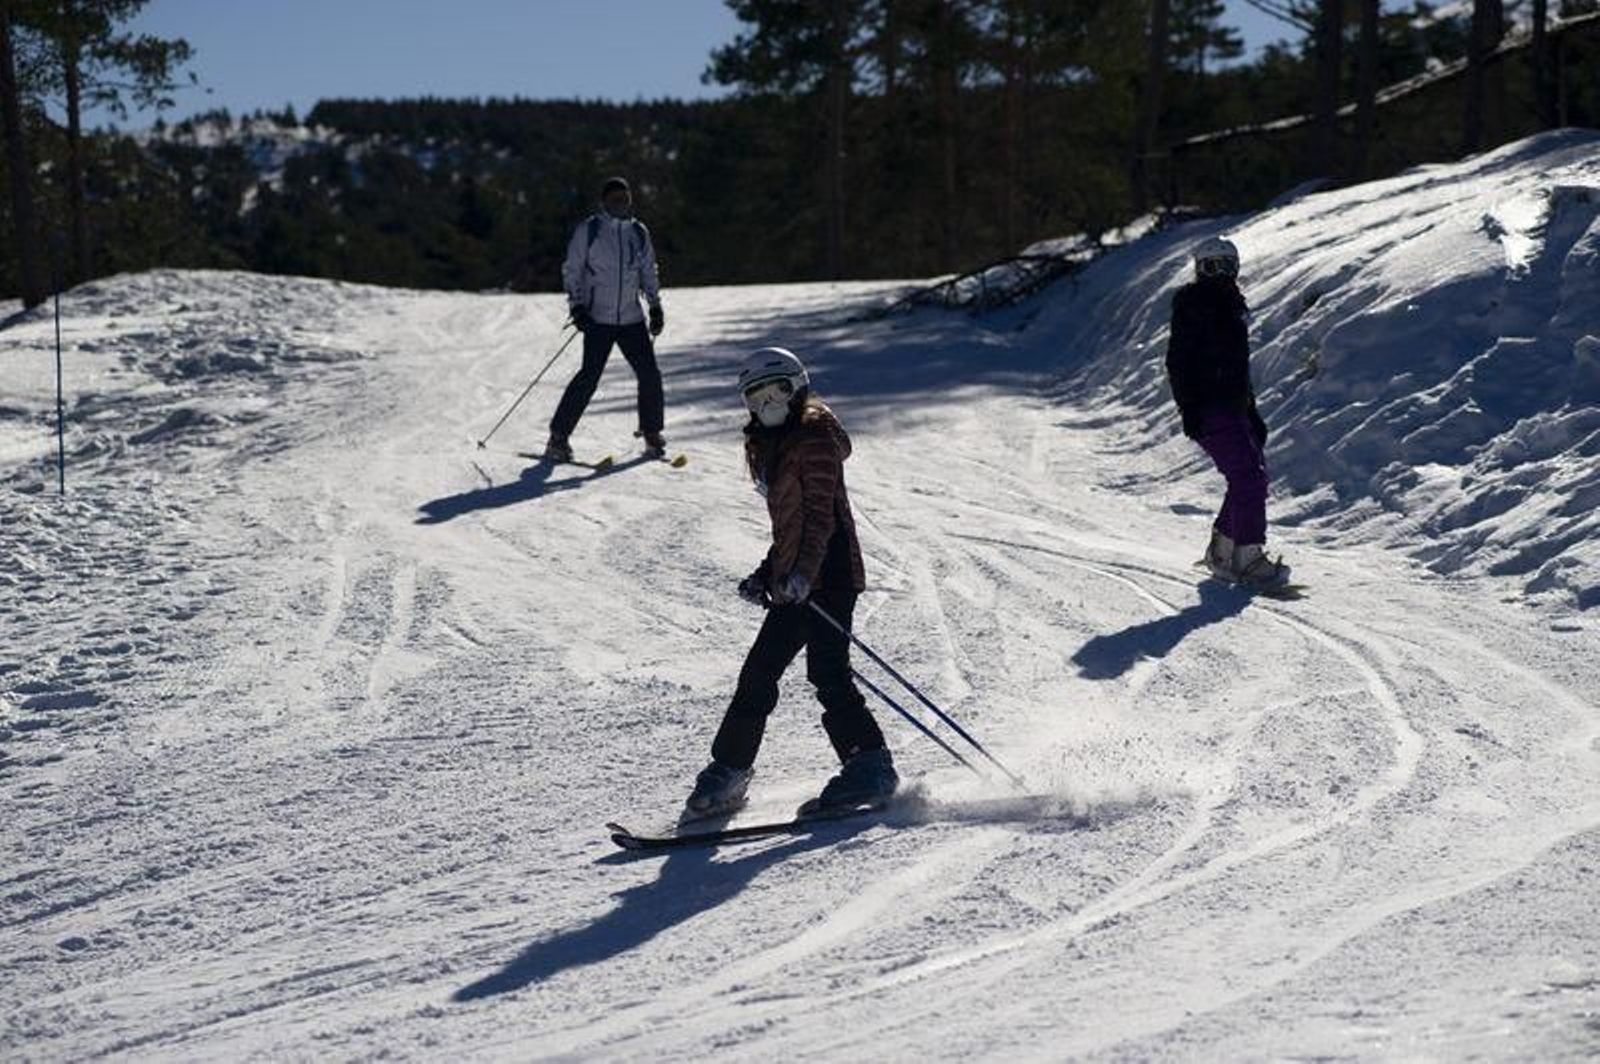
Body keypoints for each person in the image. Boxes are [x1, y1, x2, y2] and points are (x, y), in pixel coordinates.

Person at [686, 347, 898, 817]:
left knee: (828, 672)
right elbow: (790, 527)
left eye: (776, 391)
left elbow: (820, 517)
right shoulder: (771, 444)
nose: (767, 404)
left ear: (797, 388)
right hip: (796, 580)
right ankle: (730, 770)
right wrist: (768, 573)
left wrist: (804, 573)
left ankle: (871, 766)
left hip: (832, 575)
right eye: (755, 397)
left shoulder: (814, 438)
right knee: (758, 674)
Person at [1165, 236, 1290, 588]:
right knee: (1249, 477)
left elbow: (1236, 367)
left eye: (1227, 266)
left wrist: (1250, 410)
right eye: (1211, 267)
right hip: (1209, 406)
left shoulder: (1232, 306)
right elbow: (1178, 362)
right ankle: (1247, 558)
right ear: (1199, 270)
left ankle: (1223, 550)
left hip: (1231, 406)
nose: (1220, 274)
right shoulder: (1194, 307)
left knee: (1250, 474)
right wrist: (1189, 406)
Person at [546, 176, 668, 462]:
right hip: (597, 319)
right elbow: (572, 269)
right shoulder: (590, 230)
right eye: (615, 199)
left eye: (625, 198)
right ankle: (558, 437)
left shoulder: (638, 232)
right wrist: (577, 307)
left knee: (649, 374)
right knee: (589, 377)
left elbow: (648, 270)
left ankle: (652, 433)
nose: (621, 204)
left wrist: (655, 306)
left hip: (631, 319)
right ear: (604, 202)